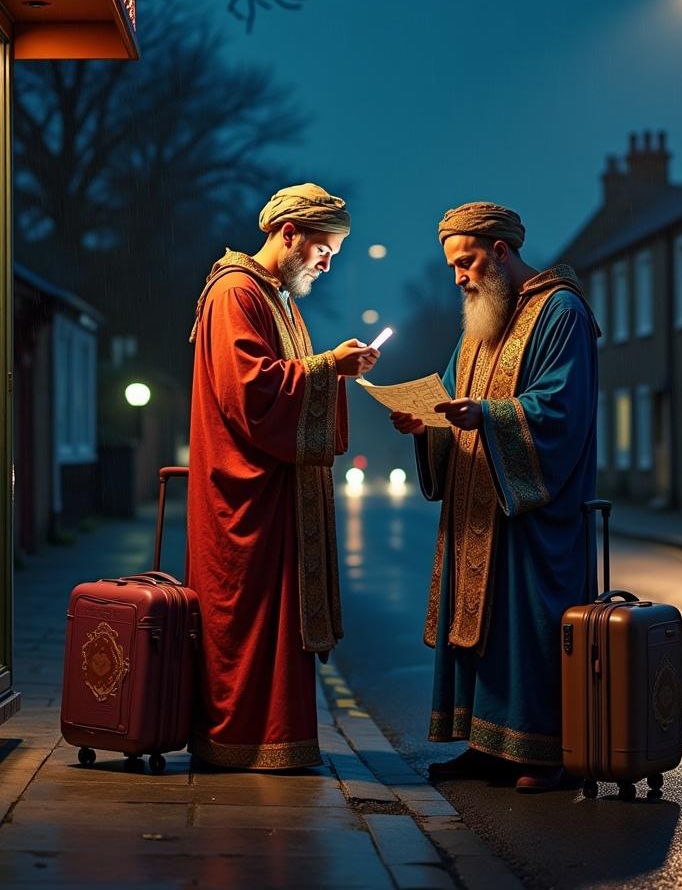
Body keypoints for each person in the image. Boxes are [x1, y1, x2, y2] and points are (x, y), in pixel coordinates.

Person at [390, 201, 600, 792]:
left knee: (528, 627)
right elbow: (451, 398)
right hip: (475, 511)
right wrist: (425, 425)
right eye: (454, 266)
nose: (460, 277)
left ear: (501, 252)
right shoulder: (482, 323)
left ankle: (541, 751)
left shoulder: (561, 311)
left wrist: (485, 415)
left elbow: (560, 410)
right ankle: (485, 746)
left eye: (468, 261)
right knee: (477, 627)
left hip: (532, 513)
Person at [186, 183, 378, 769]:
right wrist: (328, 368)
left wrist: (329, 370)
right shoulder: (235, 292)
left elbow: (281, 379)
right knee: (246, 623)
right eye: (324, 248)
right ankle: (242, 743)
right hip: (244, 498)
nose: (327, 261)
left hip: (275, 496)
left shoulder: (276, 298)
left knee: (277, 623)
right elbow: (251, 391)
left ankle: (278, 741)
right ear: (288, 234)